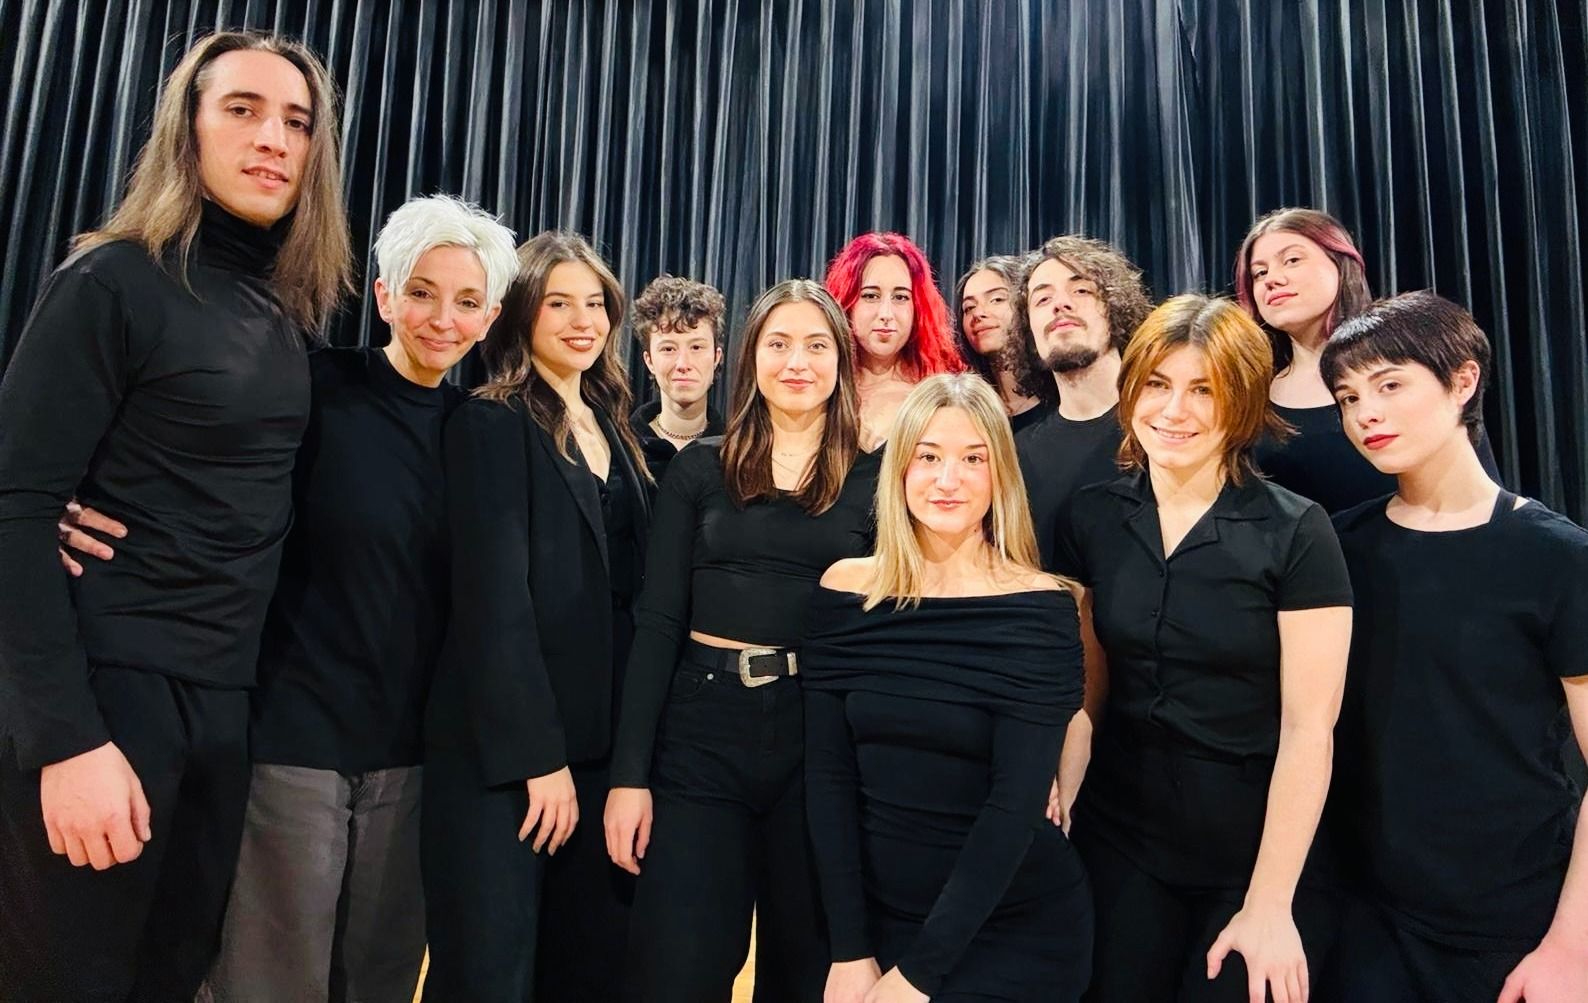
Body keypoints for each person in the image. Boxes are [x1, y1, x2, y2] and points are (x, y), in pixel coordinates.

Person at [56, 195, 517, 1001]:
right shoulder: (314, 386)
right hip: (292, 739)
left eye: (467, 300)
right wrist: (70, 499)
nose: (443, 318)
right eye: (422, 291)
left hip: (414, 757)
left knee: (377, 979)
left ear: (491, 317)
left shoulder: (483, 433)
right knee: (271, 981)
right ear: (384, 295)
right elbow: (194, 461)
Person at [0, 31, 351, 1002]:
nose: (274, 138)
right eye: (242, 109)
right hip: (107, 707)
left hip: (221, 712)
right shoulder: (111, 280)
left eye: (297, 122)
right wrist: (65, 740)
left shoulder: (283, 313)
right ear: (185, 129)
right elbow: (16, 508)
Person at [1057, 295, 1353, 1003]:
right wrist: (1058, 791)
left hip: (1256, 849)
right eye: (1157, 384)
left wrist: (1270, 904)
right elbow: (1089, 693)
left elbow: (1309, 728)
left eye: (1204, 390)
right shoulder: (1091, 515)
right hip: (1123, 836)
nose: (1174, 410)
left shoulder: (1298, 530)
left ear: (1241, 400)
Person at [604, 279, 878, 1002]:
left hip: (818, 738)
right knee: (677, 971)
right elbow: (659, 622)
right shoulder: (702, 466)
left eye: (816, 345)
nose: (797, 362)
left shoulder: (876, 478)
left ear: (841, 361)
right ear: (751, 357)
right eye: (778, 344)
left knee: (804, 972)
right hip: (701, 734)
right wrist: (629, 776)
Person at [1318, 292, 1588, 1003]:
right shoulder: (1339, 546)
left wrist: (1571, 944)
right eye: (1348, 398)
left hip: (1511, 920)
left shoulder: (1556, 556)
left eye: (1389, 385)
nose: (1365, 413)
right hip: (1364, 913)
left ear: (1463, 380)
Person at [804, 373, 1096, 1002]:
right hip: (878, 922)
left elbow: (1012, 808)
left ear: (1000, 475)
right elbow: (827, 778)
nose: (947, 480)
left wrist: (918, 977)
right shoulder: (845, 591)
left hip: (1011, 929)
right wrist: (850, 948)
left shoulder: (1040, 608)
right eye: (929, 456)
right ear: (900, 468)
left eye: (972, 459)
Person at [422, 231, 652, 1001]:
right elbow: (493, 604)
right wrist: (537, 759)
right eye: (559, 303)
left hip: (599, 748)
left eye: (595, 304)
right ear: (521, 313)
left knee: (584, 970)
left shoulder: (615, 425)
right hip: (509, 760)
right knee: (491, 972)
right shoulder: (490, 421)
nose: (584, 321)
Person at [1234, 206, 1497, 512]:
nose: (1272, 280)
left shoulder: (1409, 357)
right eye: (1260, 273)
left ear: (1341, 263)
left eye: (1292, 260)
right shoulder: (1249, 390)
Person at [1012, 234, 1152, 570]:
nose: (1060, 304)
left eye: (1081, 290)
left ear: (1115, 307)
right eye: (1042, 299)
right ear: (1029, 331)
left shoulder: (1167, 424)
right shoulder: (1017, 454)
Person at [825, 232, 964, 451]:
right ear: (846, 303)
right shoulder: (822, 386)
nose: (886, 314)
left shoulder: (941, 393)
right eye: (870, 296)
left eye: (900, 297)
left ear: (918, 307)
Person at [629, 274, 727, 483]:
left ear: (716, 357)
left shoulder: (737, 451)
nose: (683, 364)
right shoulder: (621, 448)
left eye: (696, 347)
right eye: (668, 349)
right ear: (649, 361)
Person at [954, 254, 1052, 429]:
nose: (978, 314)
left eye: (996, 300)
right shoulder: (963, 408)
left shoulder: (1064, 397)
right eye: (969, 308)